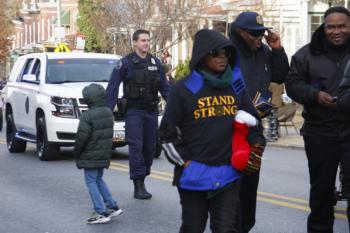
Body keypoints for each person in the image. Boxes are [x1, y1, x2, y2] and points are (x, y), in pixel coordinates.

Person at [159, 29, 265, 233]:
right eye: (216, 53)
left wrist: (256, 145)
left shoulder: (235, 87)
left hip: (228, 173)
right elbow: (166, 134)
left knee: (226, 229)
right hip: (194, 174)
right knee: (193, 227)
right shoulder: (184, 89)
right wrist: (187, 162)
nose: (222, 58)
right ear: (202, 55)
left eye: (226, 53)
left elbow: (253, 122)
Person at [285, 6, 350, 232]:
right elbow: (292, 84)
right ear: (323, 27)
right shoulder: (305, 54)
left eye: (342, 26)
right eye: (331, 27)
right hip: (320, 131)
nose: (336, 31)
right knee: (322, 194)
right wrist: (314, 95)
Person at [229, 11, 289, 233]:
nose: (258, 38)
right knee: (232, 188)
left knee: (249, 185)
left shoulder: (263, 50)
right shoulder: (227, 51)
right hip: (230, 129)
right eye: (253, 34)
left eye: (261, 33)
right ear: (240, 31)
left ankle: (245, 227)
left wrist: (277, 49)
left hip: (255, 128)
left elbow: (280, 75)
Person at [106, 29, 170, 199]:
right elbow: (113, 87)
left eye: (148, 40)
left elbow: (165, 88)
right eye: (142, 40)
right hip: (134, 111)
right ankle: (138, 184)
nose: (146, 43)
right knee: (136, 147)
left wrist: (176, 106)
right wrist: (107, 111)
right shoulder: (126, 63)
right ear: (134, 43)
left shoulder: (155, 63)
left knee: (150, 148)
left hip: (150, 111)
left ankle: (143, 174)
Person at [74, 84, 123, 225]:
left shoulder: (87, 116)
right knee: (99, 179)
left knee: (91, 181)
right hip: (103, 152)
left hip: (90, 154)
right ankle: (112, 206)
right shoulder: (108, 112)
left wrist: (76, 152)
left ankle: (100, 212)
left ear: (88, 99)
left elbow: (81, 138)